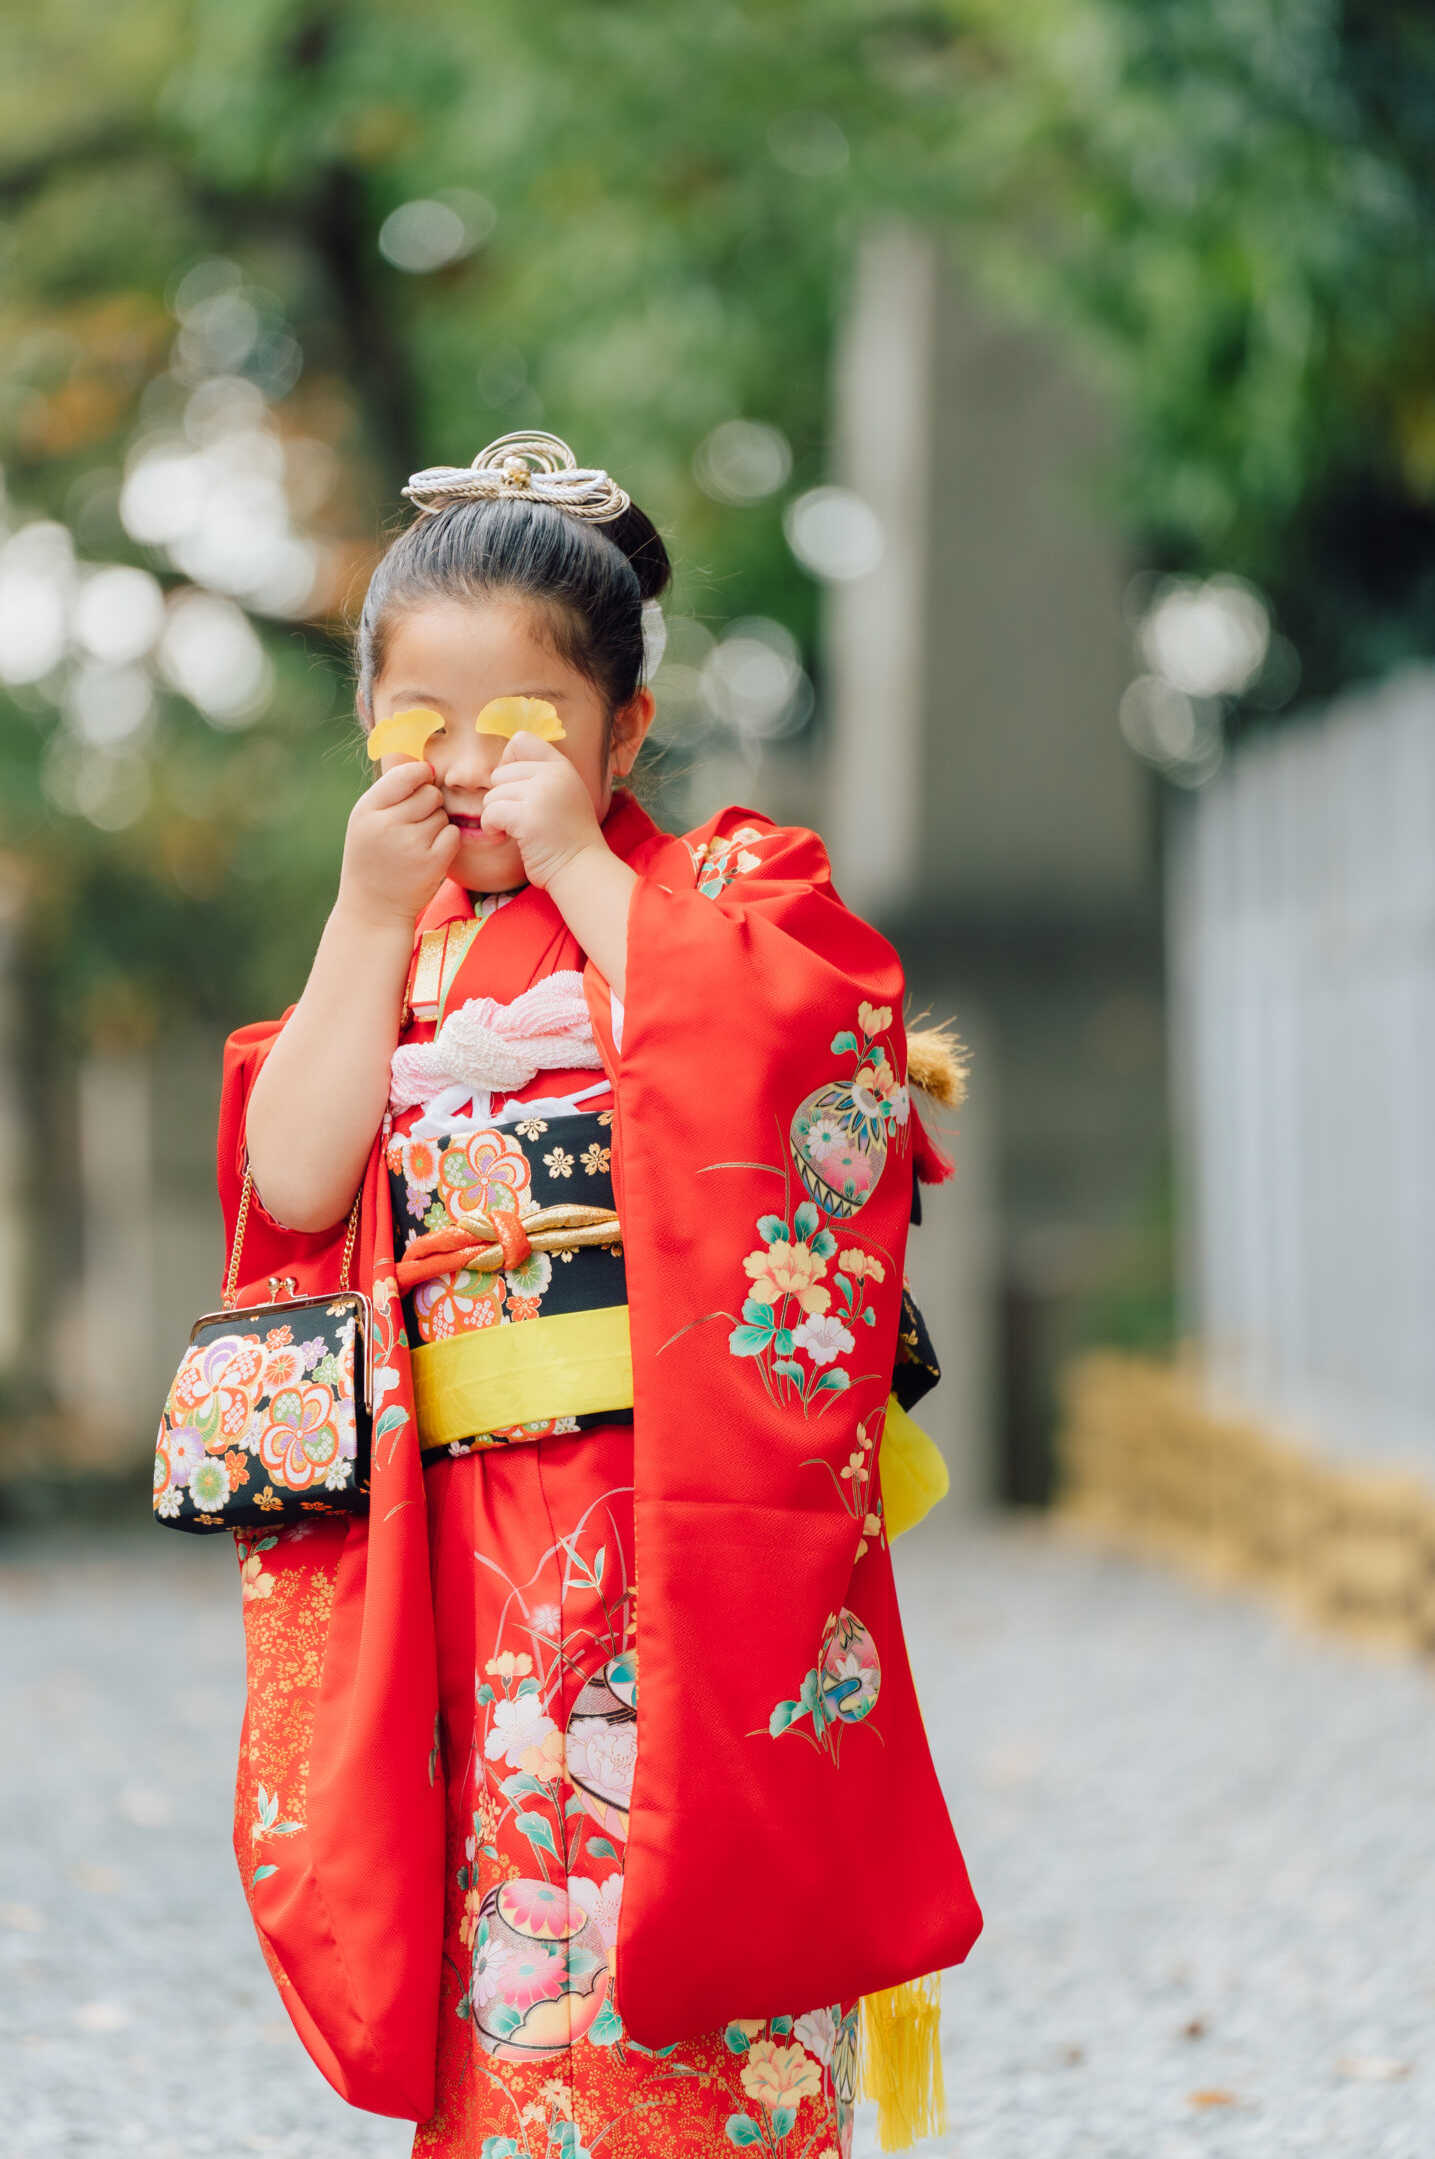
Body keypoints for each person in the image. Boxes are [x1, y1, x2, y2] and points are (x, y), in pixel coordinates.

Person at [221, 432, 980, 2157]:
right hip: (465, 1552)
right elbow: (295, 1182)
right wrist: (358, 920)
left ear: (627, 731)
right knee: (510, 1932)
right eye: (425, 731)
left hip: (678, 1523)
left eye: (532, 732)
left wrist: (582, 873)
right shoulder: (394, 946)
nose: (477, 772)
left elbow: (798, 1073)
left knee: (681, 1898)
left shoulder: (717, 893)